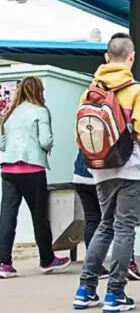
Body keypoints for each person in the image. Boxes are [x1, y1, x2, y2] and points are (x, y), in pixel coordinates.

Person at [72, 33, 140, 311]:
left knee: (104, 225)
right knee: (124, 228)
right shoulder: (137, 91)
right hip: (131, 169)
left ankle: (85, 290)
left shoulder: (89, 92)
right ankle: (115, 294)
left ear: (106, 58)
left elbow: (79, 135)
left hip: (101, 170)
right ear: (132, 58)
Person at [0, 77, 71, 279]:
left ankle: (3, 263)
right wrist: (47, 147)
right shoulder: (40, 111)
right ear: (39, 91)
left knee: (7, 217)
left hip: (8, 170)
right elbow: (45, 140)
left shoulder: (11, 113)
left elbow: (2, 145)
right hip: (32, 170)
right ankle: (47, 260)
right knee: (40, 216)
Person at [72, 150, 140, 281]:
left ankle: (93, 272)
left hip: (82, 174)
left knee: (95, 222)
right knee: (122, 224)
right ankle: (127, 264)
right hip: (109, 173)